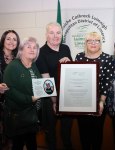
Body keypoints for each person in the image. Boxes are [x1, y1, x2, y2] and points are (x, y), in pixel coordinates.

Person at [36, 22, 73, 150]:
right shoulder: (41, 52)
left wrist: (69, 63)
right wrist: (54, 102)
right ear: (46, 35)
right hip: (50, 98)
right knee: (50, 132)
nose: (55, 36)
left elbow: (71, 72)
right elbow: (46, 80)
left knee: (67, 130)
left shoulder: (65, 48)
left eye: (58, 32)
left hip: (67, 97)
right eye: (51, 32)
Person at [75, 32, 114, 150]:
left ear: (100, 43)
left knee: (97, 133)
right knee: (83, 133)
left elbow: (107, 82)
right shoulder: (79, 57)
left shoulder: (107, 58)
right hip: (81, 102)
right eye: (90, 41)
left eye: (96, 40)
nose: (93, 43)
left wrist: (102, 102)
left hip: (99, 103)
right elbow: (75, 79)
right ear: (85, 43)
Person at [3, 37, 41, 150]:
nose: (32, 49)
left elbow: (39, 84)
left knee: (32, 144)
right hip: (19, 116)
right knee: (18, 145)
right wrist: (30, 99)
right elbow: (9, 90)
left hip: (32, 115)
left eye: (34, 47)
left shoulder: (33, 65)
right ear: (21, 50)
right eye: (28, 46)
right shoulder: (13, 66)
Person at [0, 30, 20, 150]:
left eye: (14, 39)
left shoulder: (19, 58)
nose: (11, 41)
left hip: (14, 101)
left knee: (13, 137)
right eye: (8, 38)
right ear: (3, 40)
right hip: (0, 102)